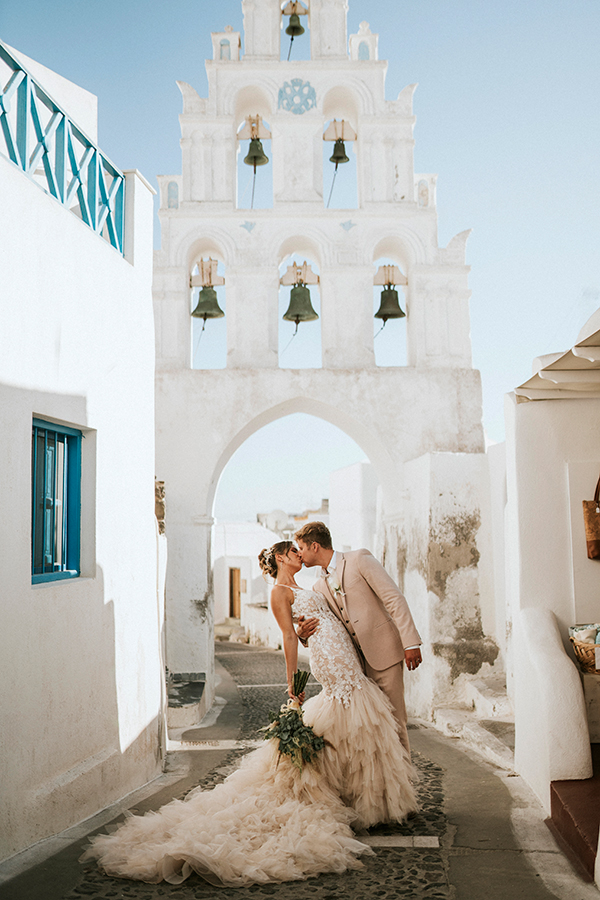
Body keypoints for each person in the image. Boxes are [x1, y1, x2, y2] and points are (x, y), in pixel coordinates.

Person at [81, 540, 417, 887]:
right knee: (350, 712)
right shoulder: (278, 592)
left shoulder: (310, 586)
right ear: (282, 558)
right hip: (331, 664)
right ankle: (366, 801)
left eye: (302, 549)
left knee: (354, 726)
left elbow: (316, 623)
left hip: (342, 652)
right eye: (294, 551)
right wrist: (293, 682)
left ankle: (362, 797)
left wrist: (305, 633)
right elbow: (288, 636)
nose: (300, 554)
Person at [294, 521, 422, 754]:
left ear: (314, 546)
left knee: (394, 719)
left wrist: (410, 642)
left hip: (385, 652)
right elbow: (326, 625)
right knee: (372, 727)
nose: (299, 554)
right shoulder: (318, 587)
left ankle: (404, 785)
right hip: (355, 666)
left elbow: (394, 598)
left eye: (300, 548)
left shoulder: (359, 559)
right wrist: (301, 635)